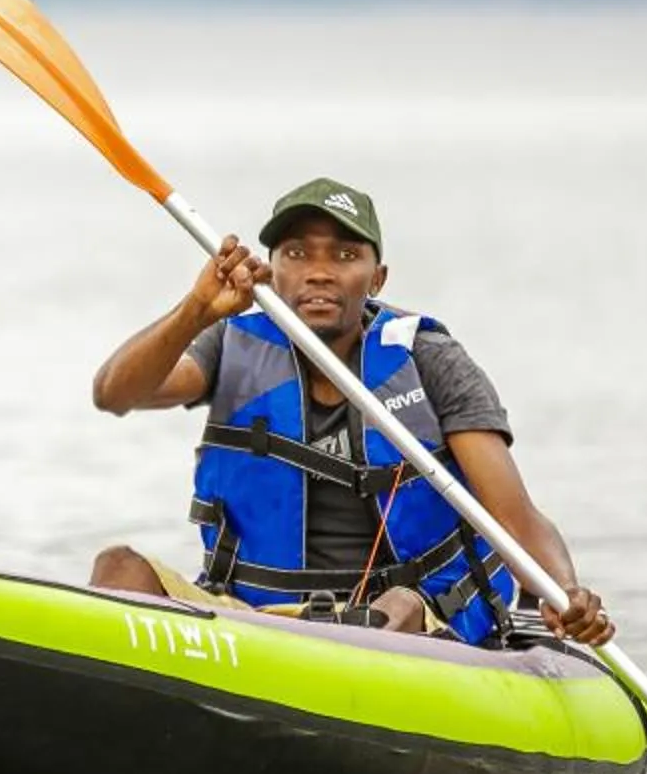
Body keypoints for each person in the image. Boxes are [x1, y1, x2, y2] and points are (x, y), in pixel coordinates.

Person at [87, 176, 614, 647]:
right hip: (255, 615)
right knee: (118, 569)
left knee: (399, 608)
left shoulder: (428, 359)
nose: (319, 273)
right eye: (296, 254)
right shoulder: (229, 345)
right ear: (270, 271)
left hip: (404, 620)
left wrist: (564, 591)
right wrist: (194, 312)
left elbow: (514, 515)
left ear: (377, 277)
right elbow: (114, 394)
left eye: (343, 256)